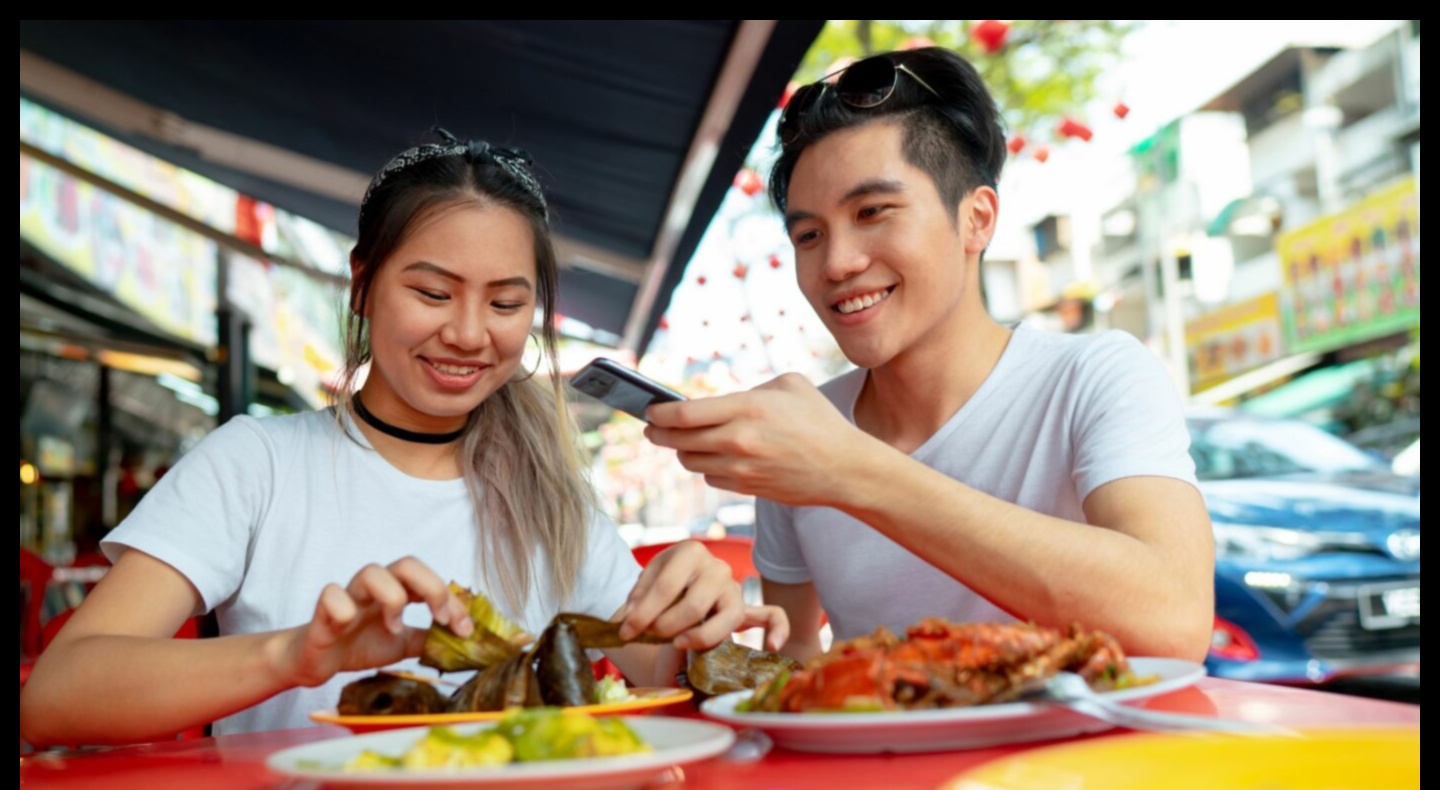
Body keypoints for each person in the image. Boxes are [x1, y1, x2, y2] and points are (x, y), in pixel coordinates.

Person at [21, 129, 786, 747]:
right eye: (431, 292)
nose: (466, 333)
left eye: (506, 303)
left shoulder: (550, 492)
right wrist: (297, 655)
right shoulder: (254, 463)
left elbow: (659, 664)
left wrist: (699, 618)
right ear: (361, 284)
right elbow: (55, 698)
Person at [643, 48, 1214, 664]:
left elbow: (1175, 617)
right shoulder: (803, 426)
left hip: (1081, 761)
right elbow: (795, 659)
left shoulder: (1093, 376)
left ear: (976, 219)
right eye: (809, 235)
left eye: (872, 212)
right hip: (882, 756)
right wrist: (696, 631)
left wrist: (850, 470)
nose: (837, 263)